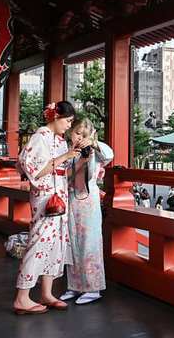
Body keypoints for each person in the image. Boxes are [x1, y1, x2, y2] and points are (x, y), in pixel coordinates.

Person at [13, 101, 80, 315]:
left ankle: (46, 293)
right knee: (38, 243)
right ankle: (22, 297)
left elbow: (64, 172)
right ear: (55, 116)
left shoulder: (60, 142)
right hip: (44, 198)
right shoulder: (40, 136)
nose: (68, 126)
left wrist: (80, 159)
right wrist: (64, 157)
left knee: (56, 244)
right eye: (67, 121)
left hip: (59, 194)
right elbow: (33, 170)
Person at [60, 118, 114, 305]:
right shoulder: (67, 151)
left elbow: (109, 155)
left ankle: (93, 288)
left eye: (83, 135)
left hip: (88, 200)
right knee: (72, 243)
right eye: (76, 133)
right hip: (70, 198)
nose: (78, 138)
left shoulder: (94, 150)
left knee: (89, 243)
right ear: (70, 132)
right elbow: (63, 174)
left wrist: (93, 144)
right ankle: (74, 286)